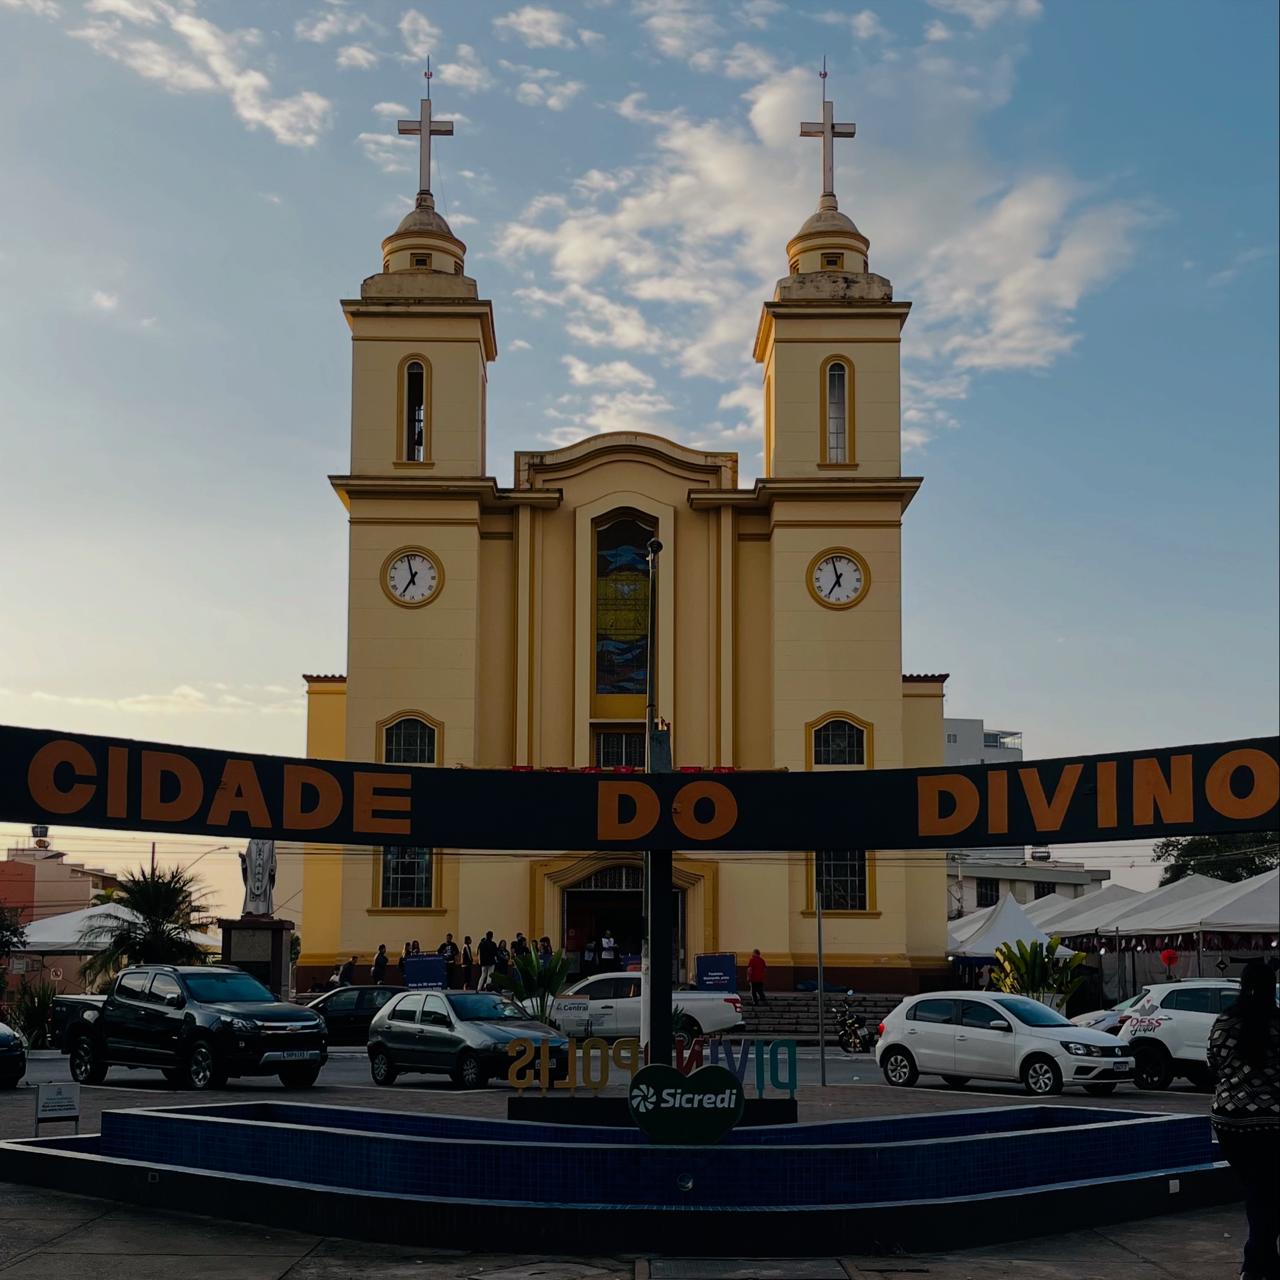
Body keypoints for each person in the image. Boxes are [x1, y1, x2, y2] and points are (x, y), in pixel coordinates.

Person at [1208, 959, 1279, 1280]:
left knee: (1259, 1190)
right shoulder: (1277, 1023)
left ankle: (1266, 1263)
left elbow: (1213, 1063)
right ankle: (1254, 1263)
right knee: (1268, 1193)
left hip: (1228, 1121)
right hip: (1270, 1123)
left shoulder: (1224, 1021)